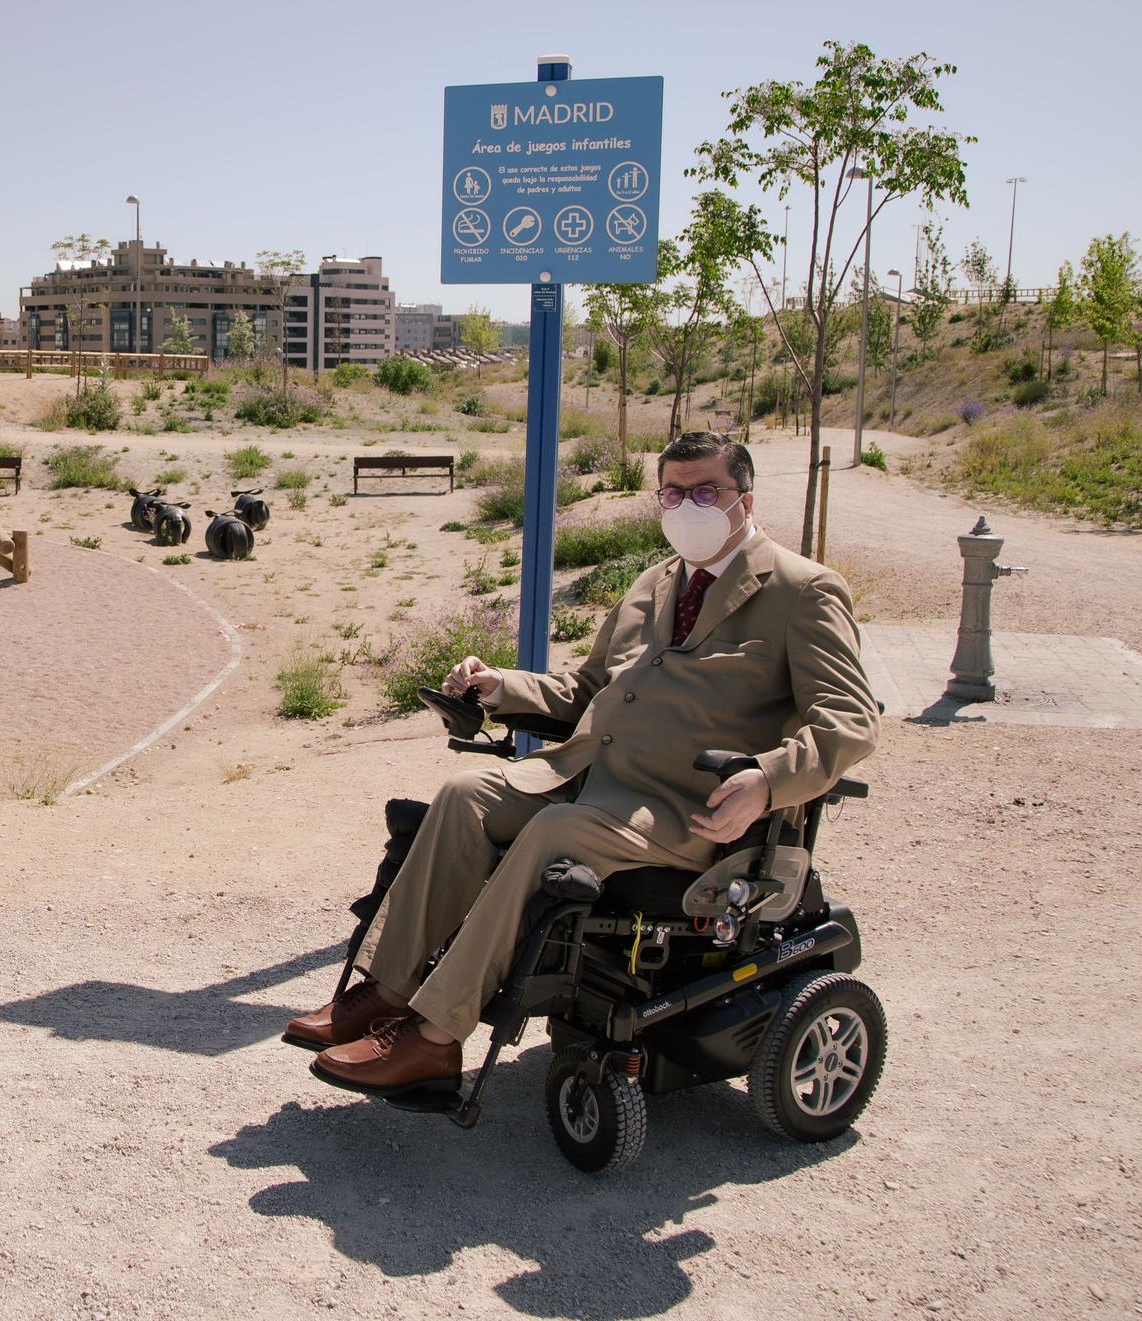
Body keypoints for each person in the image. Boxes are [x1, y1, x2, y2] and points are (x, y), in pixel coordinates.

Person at [286, 431, 880, 1094]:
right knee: (465, 793)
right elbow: (589, 689)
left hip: (684, 810)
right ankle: (386, 991)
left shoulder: (803, 591)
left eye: (706, 490)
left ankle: (434, 1036)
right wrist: (502, 685)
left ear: (745, 499)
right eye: (675, 491)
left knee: (551, 833)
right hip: (595, 778)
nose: (689, 504)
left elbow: (849, 721)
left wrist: (768, 780)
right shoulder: (655, 583)